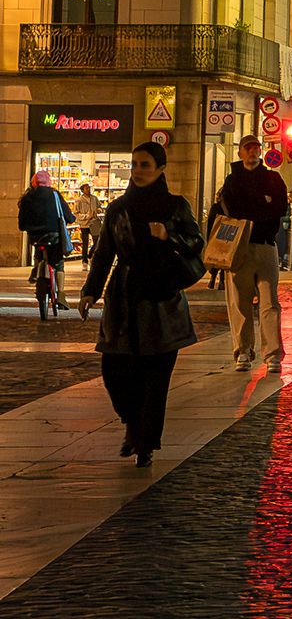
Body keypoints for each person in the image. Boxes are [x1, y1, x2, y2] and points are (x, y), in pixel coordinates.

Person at [75, 142, 204, 468]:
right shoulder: (119, 208)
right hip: (124, 296)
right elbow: (104, 252)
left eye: (145, 165)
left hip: (162, 298)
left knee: (155, 377)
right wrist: (91, 289)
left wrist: (167, 236)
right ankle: (132, 423)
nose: (138, 170)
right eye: (135, 164)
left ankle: (144, 442)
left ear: (160, 169)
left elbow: (195, 242)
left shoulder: (175, 206)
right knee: (115, 371)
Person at [219, 136, 289, 373]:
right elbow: (234, 209)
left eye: (256, 148)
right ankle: (244, 351)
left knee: (270, 302)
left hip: (267, 245)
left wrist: (255, 207)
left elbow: (281, 207)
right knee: (240, 302)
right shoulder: (232, 180)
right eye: (248, 148)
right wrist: (263, 204)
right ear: (240, 153)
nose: (253, 152)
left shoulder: (273, 177)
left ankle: (272, 355)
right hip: (239, 247)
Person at [18, 171, 75, 316]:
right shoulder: (55, 195)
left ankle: (37, 267)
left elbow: (22, 224)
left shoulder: (27, 197)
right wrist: (70, 219)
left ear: (34, 182)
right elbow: (68, 216)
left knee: (38, 248)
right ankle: (61, 294)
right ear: (48, 181)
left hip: (36, 236)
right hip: (53, 235)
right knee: (58, 263)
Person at [74, 183, 100, 261]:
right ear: (82, 191)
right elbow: (76, 213)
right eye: (86, 188)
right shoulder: (79, 201)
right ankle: (84, 260)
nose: (88, 190)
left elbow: (99, 207)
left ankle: (91, 253)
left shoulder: (94, 198)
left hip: (94, 223)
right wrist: (86, 216)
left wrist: (97, 211)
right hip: (84, 224)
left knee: (97, 240)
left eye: (89, 188)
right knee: (85, 243)